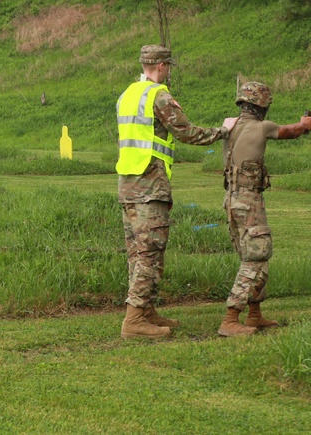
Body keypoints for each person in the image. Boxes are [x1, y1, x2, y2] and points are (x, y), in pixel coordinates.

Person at [115, 45, 229, 339]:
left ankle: (146, 311)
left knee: (136, 253)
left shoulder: (127, 94)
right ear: (163, 66)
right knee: (149, 253)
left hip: (128, 184)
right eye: (169, 67)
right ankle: (134, 320)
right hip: (150, 184)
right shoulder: (159, 95)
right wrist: (224, 130)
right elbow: (187, 131)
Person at [217, 81, 311, 336]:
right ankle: (230, 318)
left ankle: (254, 315)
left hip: (231, 199)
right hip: (248, 202)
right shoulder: (262, 126)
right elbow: (292, 131)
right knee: (255, 258)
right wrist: (304, 124)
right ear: (262, 105)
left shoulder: (230, 124)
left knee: (256, 257)